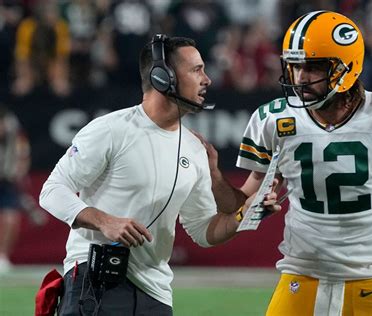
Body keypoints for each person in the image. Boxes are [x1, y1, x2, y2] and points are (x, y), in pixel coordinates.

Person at [202, 11, 372, 315]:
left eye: (313, 67)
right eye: (295, 66)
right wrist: (216, 178)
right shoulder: (273, 119)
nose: (300, 78)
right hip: (300, 276)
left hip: (370, 282)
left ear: (346, 67)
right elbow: (240, 205)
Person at [38, 35, 280, 315]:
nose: (207, 79)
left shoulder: (195, 148)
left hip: (156, 292)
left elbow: (202, 230)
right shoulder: (110, 130)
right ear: (163, 77)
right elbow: (52, 190)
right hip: (93, 282)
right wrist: (104, 221)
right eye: (196, 69)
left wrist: (242, 216)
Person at [0, 105, 31, 274]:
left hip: (8, 180)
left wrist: (20, 172)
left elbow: (23, 154)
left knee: (11, 219)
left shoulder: (15, 132)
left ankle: (2, 257)